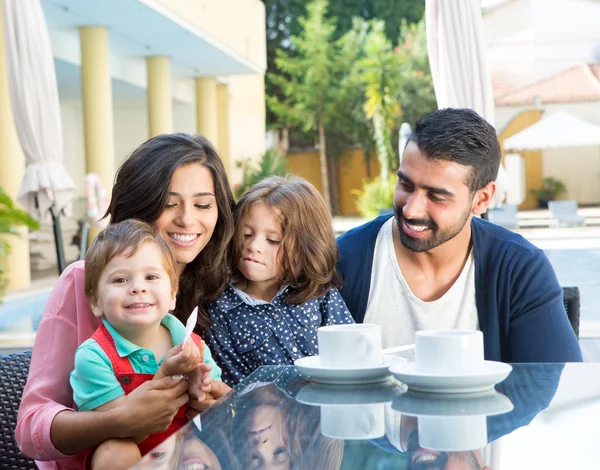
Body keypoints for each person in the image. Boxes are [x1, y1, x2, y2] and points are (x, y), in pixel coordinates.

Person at [16, 133, 235, 469]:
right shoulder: (83, 280)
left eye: (203, 204)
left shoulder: (215, 283)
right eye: (169, 203)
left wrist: (209, 402)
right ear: (140, 204)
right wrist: (117, 421)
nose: (188, 220)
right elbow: (31, 427)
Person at [337, 108, 582, 363]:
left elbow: (558, 382)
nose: (411, 209)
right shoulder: (344, 261)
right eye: (406, 185)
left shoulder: (518, 269)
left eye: (436, 196)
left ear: (482, 199)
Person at [71, 219, 221, 468]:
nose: (138, 288)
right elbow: (127, 428)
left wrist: (200, 390)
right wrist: (168, 374)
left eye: (151, 277)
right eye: (120, 280)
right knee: (115, 451)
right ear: (95, 300)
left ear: (173, 294)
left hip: (180, 451)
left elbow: (215, 414)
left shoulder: (190, 344)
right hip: (130, 452)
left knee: (200, 445)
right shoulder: (94, 357)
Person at [205, 176, 354, 386]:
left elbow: (352, 355)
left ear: (305, 247)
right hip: (265, 416)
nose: (254, 245)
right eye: (246, 234)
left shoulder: (319, 293)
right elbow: (233, 389)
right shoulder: (221, 309)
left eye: (273, 240)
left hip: (329, 409)